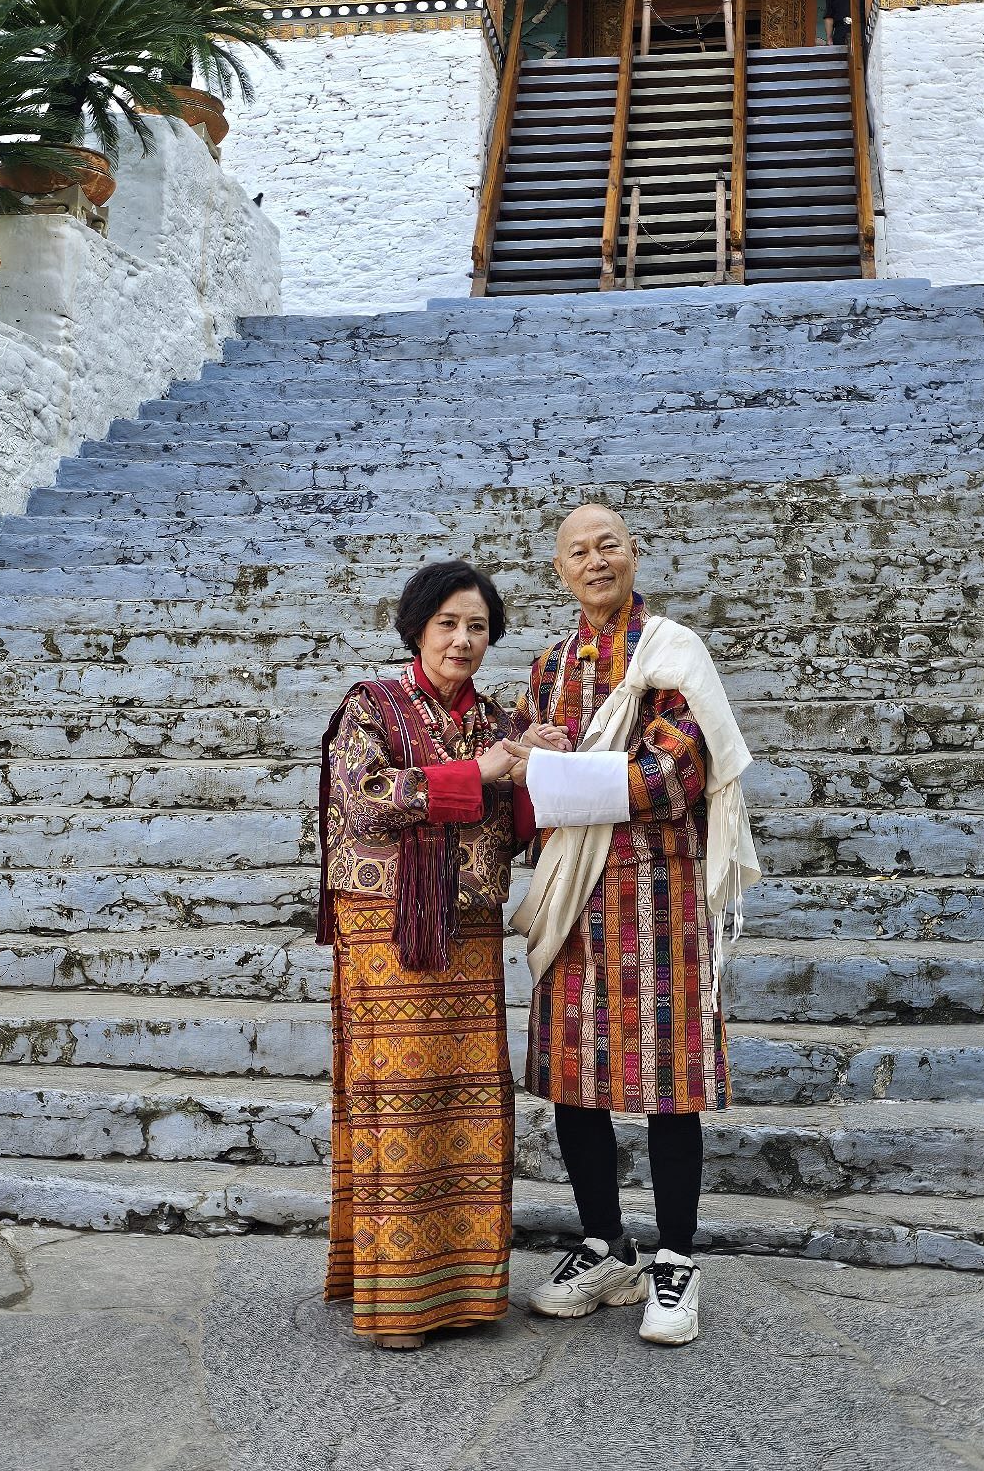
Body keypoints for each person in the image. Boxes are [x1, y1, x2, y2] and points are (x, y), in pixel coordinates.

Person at [504, 505, 761, 1348]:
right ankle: (604, 1245)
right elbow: (520, 775)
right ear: (560, 570)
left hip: (661, 901)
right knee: (576, 1078)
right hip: (573, 901)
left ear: (634, 553)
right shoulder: (546, 667)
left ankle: (677, 1258)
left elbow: (672, 776)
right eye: (578, 551)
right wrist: (531, 766)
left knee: (668, 1081)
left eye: (608, 544)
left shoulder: (672, 653)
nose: (595, 559)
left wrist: (554, 772)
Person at [318, 559, 558, 1350]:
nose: (463, 639)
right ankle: (398, 1304)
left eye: (478, 626)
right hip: (386, 926)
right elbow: (365, 798)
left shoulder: (497, 720)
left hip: (468, 930)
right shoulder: (371, 705)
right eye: (449, 623)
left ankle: (463, 1294)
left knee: (468, 1098)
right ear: (417, 627)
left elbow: (517, 829)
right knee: (402, 1098)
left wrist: (537, 767)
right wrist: (478, 772)